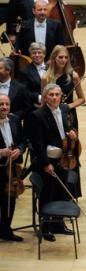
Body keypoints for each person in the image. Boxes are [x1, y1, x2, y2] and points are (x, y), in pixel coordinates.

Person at [25, 83, 77, 241]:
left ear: (61, 96)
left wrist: (73, 134)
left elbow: (69, 127)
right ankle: (46, 228)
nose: (54, 97)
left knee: (61, 192)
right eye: (51, 95)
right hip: (48, 161)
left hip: (64, 159)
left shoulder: (65, 109)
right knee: (48, 194)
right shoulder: (38, 115)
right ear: (46, 97)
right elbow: (37, 143)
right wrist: (45, 163)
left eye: (57, 94)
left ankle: (59, 224)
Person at [0, 94, 26, 242]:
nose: (4, 107)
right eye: (1, 104)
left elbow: (23, 140)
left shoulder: (15, 120)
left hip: (12, 168)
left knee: (10, 201)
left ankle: (6, 230)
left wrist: (20, 150)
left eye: (6, 104)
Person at [41, 45, 85, 132]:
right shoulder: (46, 78)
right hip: (51, 113)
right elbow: (43, 101)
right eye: (60, 57)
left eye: (66, 57)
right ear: (54, 58)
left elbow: (82, 99)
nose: (63, 60)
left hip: (69, 114)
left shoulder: (74, 76)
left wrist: (67, 106)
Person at [17, 42, 47, 108]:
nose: (37, 55)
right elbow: (25, 92)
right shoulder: (24, 71)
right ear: (30, 55)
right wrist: (40, 98)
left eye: (39, 52)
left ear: (44, 54)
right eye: (34, 53)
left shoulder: (52, 68)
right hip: (35, 106)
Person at [0, 58, 31, 122]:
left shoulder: (21, 88)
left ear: (8, 70)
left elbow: (27, 107)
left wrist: (14, 116)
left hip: (13, 125)